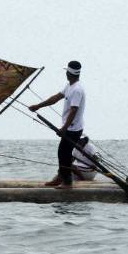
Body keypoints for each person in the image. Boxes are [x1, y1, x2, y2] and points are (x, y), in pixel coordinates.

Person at [29, 60, 86, 189]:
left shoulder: (77, 89)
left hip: (74, 129)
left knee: (64, 153)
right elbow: (56, 98)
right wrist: (38, 106)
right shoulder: (69, 86)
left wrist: (64, 128)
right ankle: (61, 177)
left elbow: (74, 110)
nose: (65, 73)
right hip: (69, 128)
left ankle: (67, 182)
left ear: (69, 73)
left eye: (66, 71)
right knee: (63, 153)